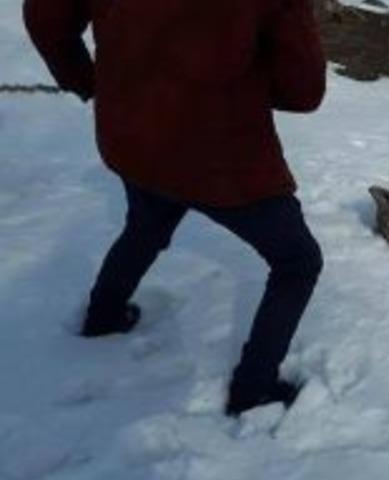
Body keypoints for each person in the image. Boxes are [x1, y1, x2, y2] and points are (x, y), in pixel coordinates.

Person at [23, 0, 327, 416]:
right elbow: (304, 91)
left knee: (147, 221)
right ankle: (253, 390)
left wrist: (91, 82)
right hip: (224, 159)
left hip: (133, 136)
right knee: (297, 261)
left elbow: (45, 19)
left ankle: (104, 315)